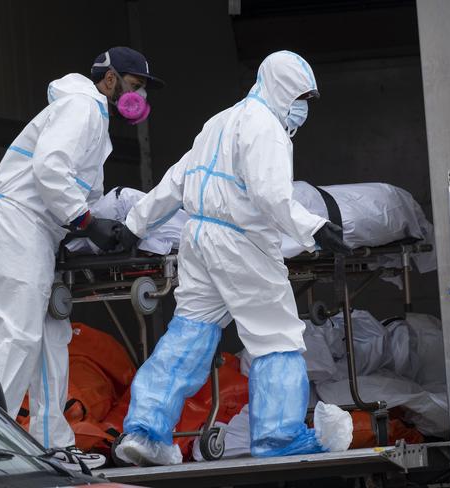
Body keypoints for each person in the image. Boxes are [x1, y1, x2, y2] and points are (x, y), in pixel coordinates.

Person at [114, 51, 353, 466]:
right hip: (241, 242)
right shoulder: (267, 128)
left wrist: (136, 223)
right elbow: (270, 194)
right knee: (275, 335)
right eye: (302, 97)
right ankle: (278, 436)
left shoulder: (219, 122)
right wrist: (314, 229)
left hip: (199, 239)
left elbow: (177, 178)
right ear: (281, 88)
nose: (303, 107)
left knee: (189, 334)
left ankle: (145, 431)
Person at [0, 46, 164, 470]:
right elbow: (50, 169)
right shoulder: (82, 107)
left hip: (39, 231)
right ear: (111, 80)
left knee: (51, 336)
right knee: (18, 334)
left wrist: (91, 223)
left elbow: (77, 190)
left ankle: (51, 442)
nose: (138, 101)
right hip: (16, 221)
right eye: (135, 88)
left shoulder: (94, 121)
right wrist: (85, 222)